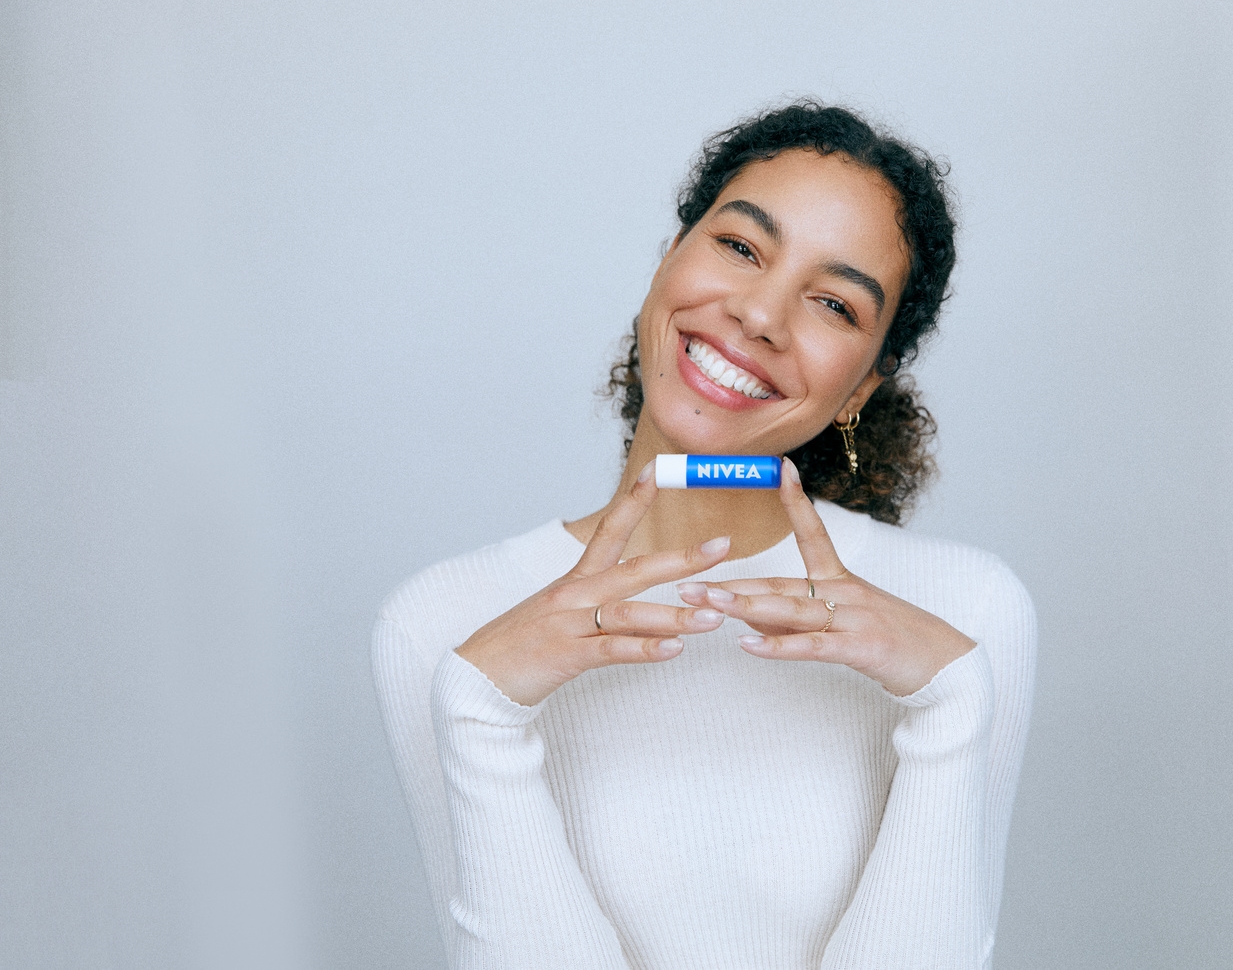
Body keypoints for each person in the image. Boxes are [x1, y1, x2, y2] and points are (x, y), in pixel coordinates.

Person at [372, 102, 1037, 970]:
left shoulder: (965, 613)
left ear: (860, 390)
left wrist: (952, 701)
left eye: (833, 302)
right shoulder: (445, 624)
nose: (761, 313)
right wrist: (477, 712)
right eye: (739, 247)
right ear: (667, 259)